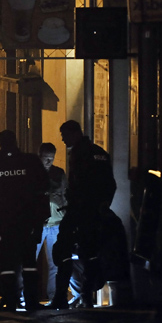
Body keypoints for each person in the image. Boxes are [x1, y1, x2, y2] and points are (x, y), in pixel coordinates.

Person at [0, 130, 50, 312]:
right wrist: (39, 221)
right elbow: (43, 190)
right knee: (29, 265)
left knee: (6, 265)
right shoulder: (31, 162)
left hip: (3, 226)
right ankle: (31, 302)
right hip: (28, 224)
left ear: (0, 143)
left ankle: (9, 301)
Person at [50, 120, 117, 309]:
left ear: (74, 133)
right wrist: (103, 205)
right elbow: (110, 184)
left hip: (80, 210)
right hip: (92, 212)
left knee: (63, 249)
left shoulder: (81, 153)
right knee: (90, 252)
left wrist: (79, 204)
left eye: (64, 135)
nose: (62, 140)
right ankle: (86, 296)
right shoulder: (99, 153)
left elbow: (81, 185)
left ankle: (62, 297)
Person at [34, 142, 67, 305]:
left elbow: (65, 196)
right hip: (38, 224)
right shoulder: (33, 173)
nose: (49, 162)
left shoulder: (58, 174)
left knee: (54, 262)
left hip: (55, 223)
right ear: (39, 156)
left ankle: (53, 296)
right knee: (30, 261)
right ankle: (28, 295)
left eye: (51, 159)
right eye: (46, 158)